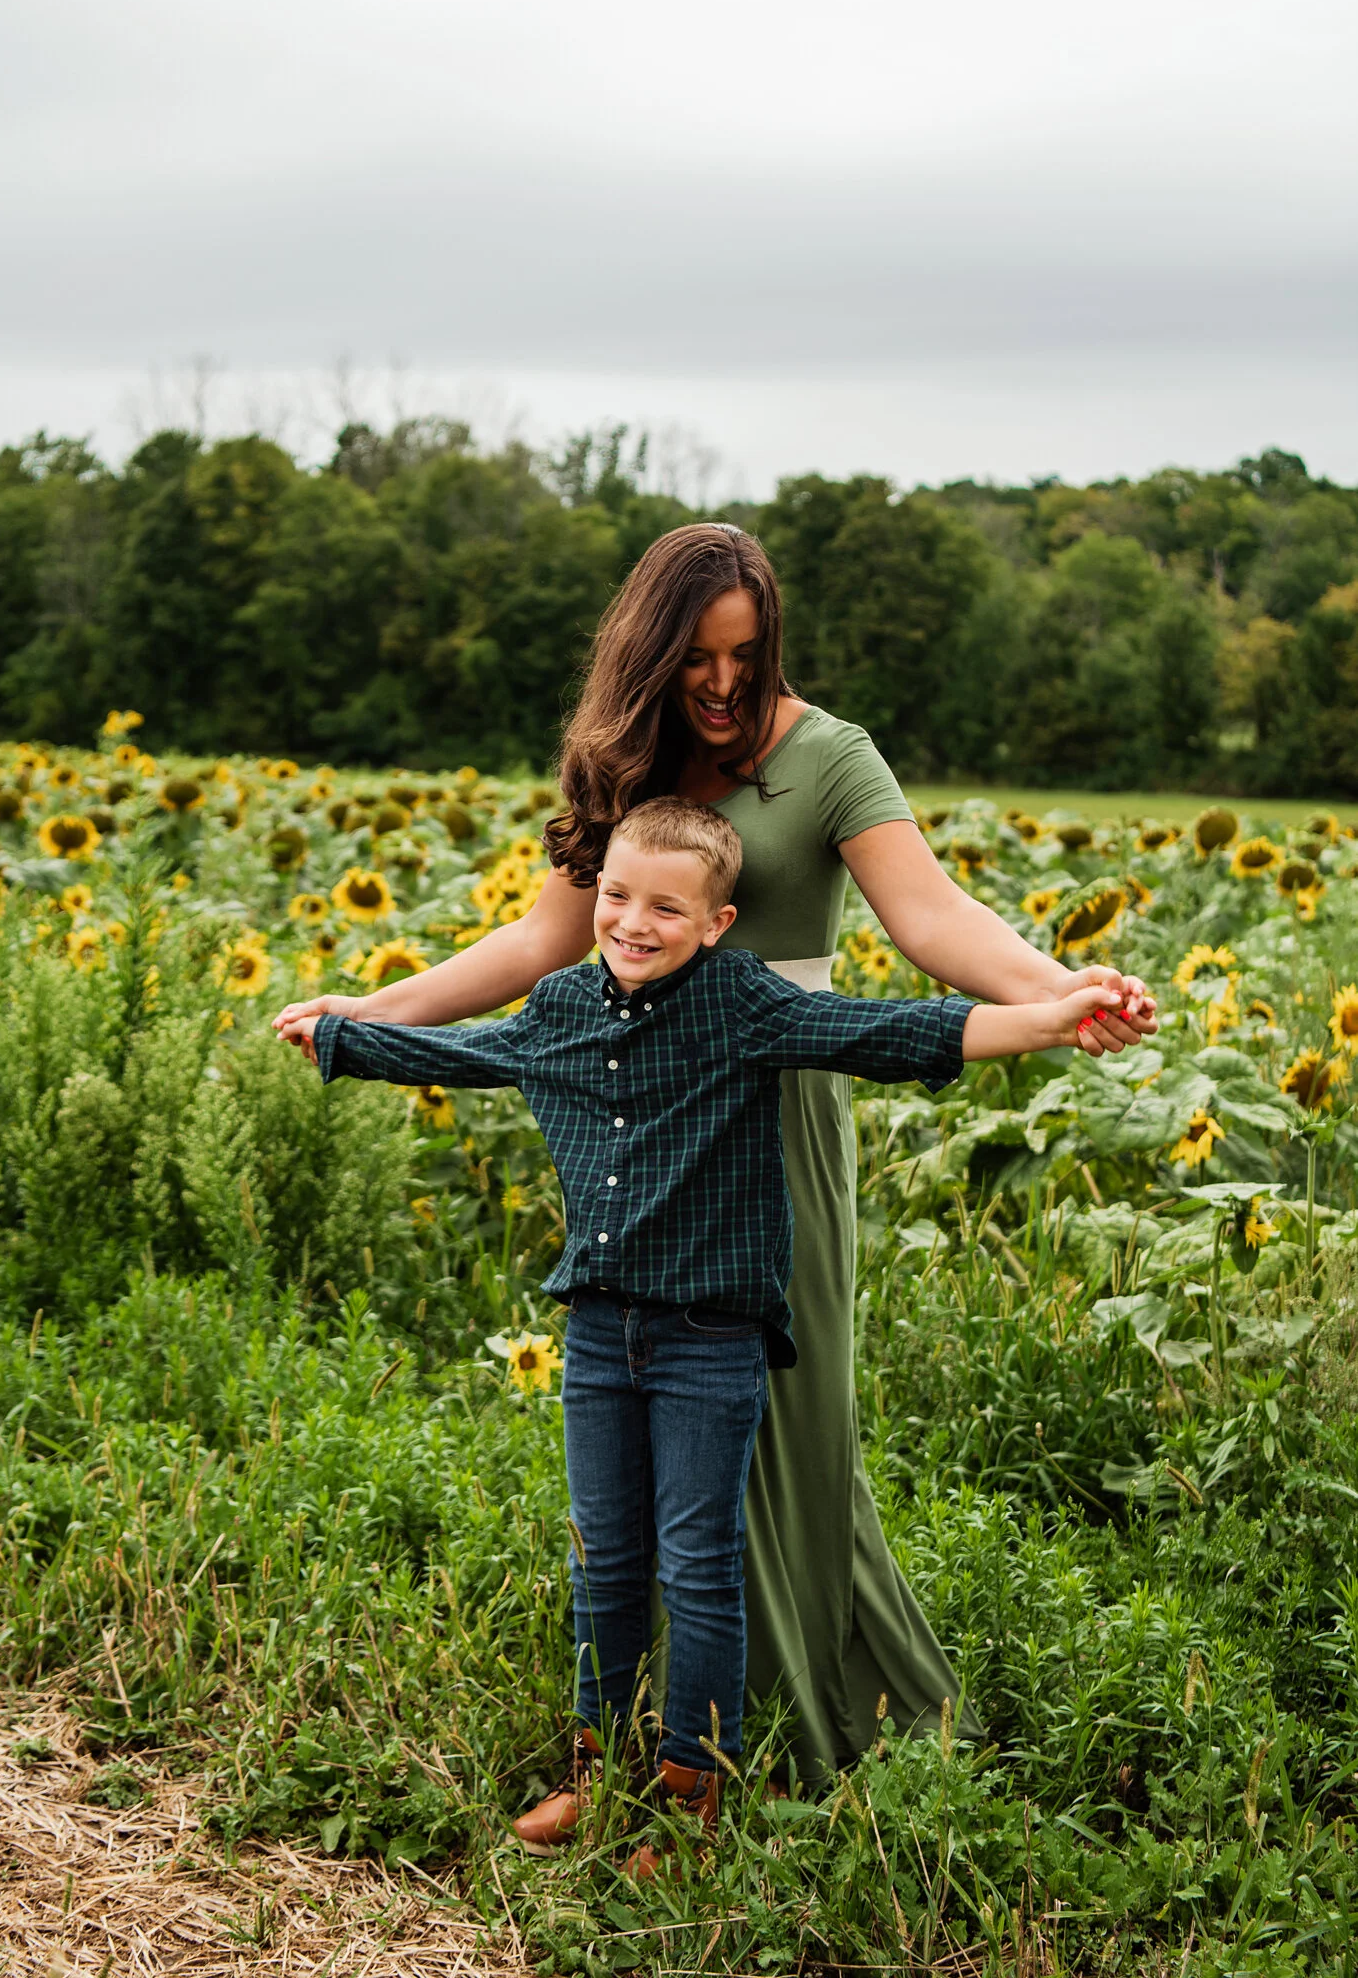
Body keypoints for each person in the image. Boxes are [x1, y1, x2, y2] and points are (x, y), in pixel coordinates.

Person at [275, 520, 1157, 1785]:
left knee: (788, 1417)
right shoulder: (625, 763)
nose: (725, 683)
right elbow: (534, 950)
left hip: (780, 1103)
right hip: (650, 1116)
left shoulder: (831, 756)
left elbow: (933, 919)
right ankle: (646, 1732)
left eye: (746, 654)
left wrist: (1063, 993)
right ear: (651, 649)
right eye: (699, 656)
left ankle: (794, 1716)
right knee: (642, 1465)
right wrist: (367, 1012)